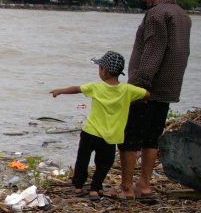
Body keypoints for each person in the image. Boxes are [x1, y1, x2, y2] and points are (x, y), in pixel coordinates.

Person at [118, 0, 192, 199]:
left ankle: (127, 188)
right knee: (152, 138)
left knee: (129, 139)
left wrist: (137, 87)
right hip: (168, 88)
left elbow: (153, 52)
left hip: (147, 89)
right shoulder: (182, 15)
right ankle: (145, 184)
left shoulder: (157, 14)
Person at [50, 51, 149, 199]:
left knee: (82, 160)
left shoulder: (96, 87)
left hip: (90, 132)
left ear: (105, 71)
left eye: (100, 67)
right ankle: (95, 190)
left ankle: (78, 187)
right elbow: (147, 94)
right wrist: (131, 100)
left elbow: (77, 89)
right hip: (110, 137)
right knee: (103, 164)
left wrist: (60, 91)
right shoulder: (127, 90)